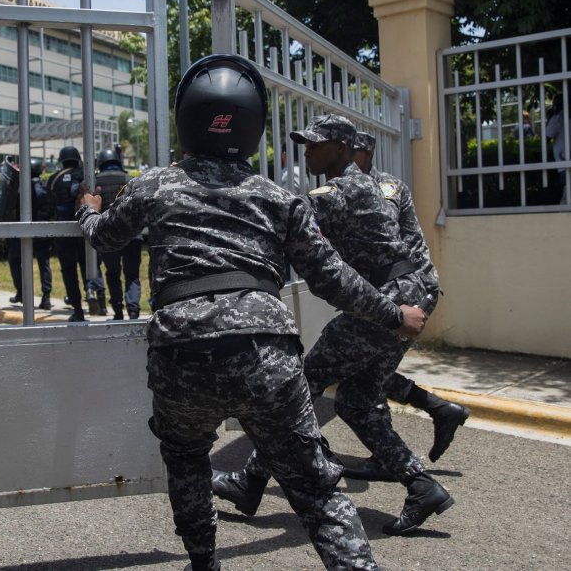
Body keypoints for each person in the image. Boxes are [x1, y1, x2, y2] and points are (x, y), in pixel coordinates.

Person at [76, 54, 427, 571]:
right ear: (255, 127)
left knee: (188, 460)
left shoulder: (154, 185)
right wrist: (394, 315)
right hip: (265, 356)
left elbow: (104, 238)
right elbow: (333, 278)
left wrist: (87, 209)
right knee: (315, 486)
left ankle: (204, 562)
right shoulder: (279, 198)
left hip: (180, 353)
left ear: (187, 121)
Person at [212, 114, 455, 539]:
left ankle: (250, 482)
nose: (307, 152)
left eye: (316, 145)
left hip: (387, 302)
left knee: (298, 385)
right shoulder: (359, 186)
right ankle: (422, 486)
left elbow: (280, 213)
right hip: (403, 294)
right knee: (357, 403)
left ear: (341, 149)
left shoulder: (340, 188)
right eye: (306, 144)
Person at [346, 131, 469, 479]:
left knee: (362, 376)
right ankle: (437, 411)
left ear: (366, 152)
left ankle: (408, 465)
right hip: (394, 292)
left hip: (404, 293)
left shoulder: (384, 188)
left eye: (351, 151)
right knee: (369, 373)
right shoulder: (362, 184)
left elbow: (378, 237)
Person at [47, 145, 105, 321]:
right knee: (90, 263)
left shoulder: (54, 178)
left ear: (62, 159)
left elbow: (49, 203)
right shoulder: (85, 175)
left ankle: (78, 310)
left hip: (63, 231)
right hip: (84, 226)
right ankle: (96, 297)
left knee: (68, 270)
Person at [94, 148, 143, 319]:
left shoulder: (95, 181)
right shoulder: (130, 179)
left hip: (109, 235)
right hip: (133, 235)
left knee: (113, 273)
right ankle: (134, 309)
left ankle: (117, 312)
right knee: (132, 274)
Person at [7, 158, 54, 310]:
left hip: (23, 231)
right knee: (44, 264)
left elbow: (9, 207)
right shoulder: (45, 186)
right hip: (41, 231)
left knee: (15, 260)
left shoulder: (20, 189)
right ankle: (46, 297)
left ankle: (21, 292)